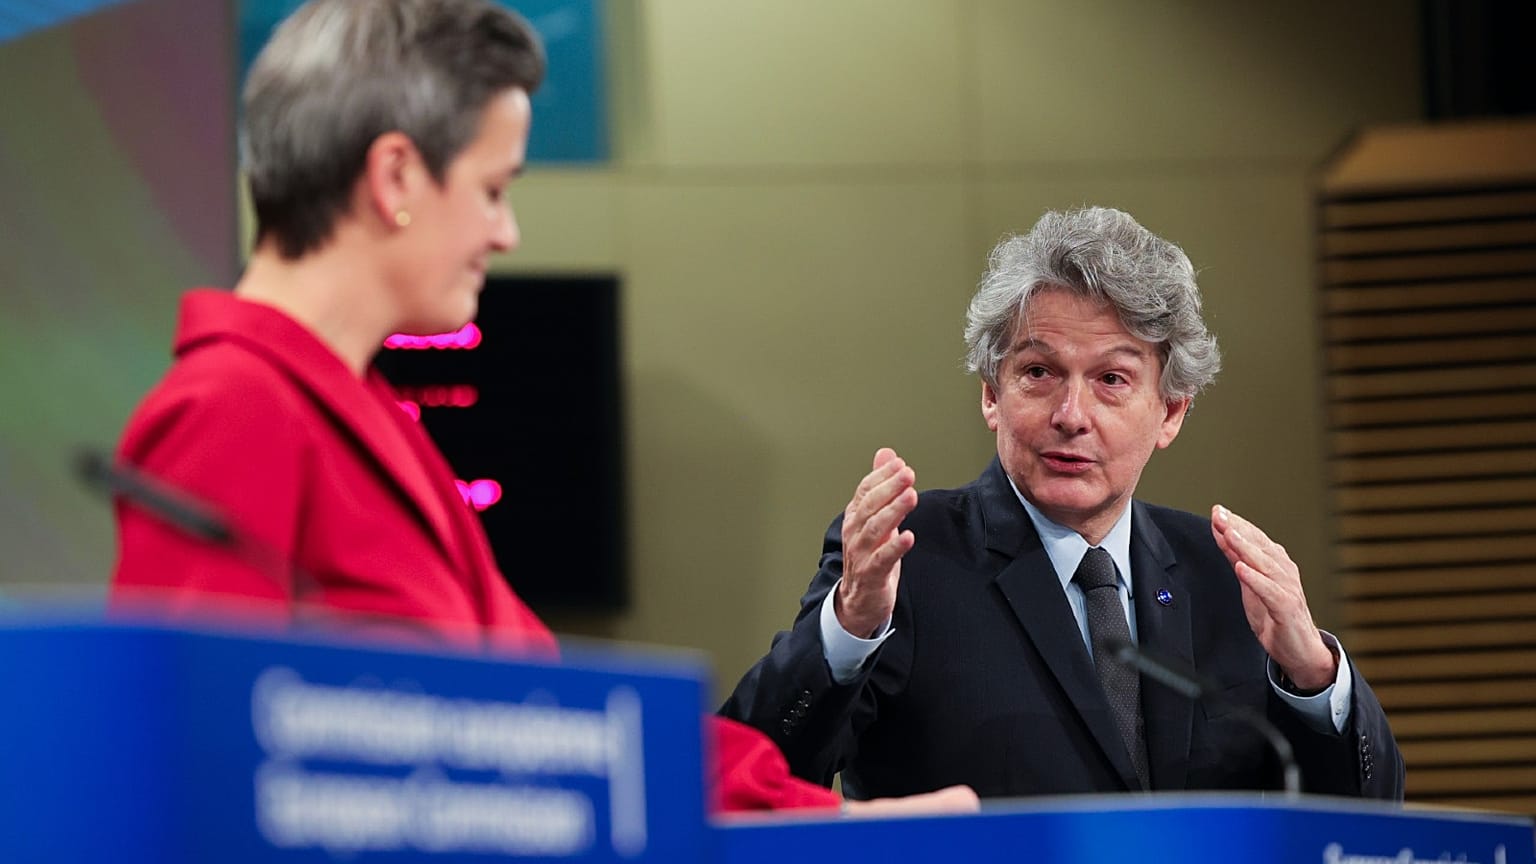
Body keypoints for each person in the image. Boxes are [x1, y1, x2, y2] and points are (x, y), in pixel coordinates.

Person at [108, 0, 975, 818]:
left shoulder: (370, 428)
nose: (506, 231)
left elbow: (571, 723)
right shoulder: (231, 411)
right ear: (396, 175)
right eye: (493, 188)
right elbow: (189, 790)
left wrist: (839, 823)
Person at [721, 206, 1405, 802]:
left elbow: (1368, 826)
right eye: (1039, 373)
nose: (1071, 415)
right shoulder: (910, 557)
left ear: (1170, 412)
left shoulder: (1225, 575)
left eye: (1111, 379)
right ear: (993, 393)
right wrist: (848, 629)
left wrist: (1314, 675)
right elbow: (749, 780)